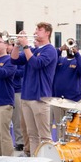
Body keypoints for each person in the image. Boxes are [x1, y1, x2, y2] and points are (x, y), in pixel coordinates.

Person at [12, 22, 58, 152]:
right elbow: (14, 59)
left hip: (40, 97)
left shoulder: (50, 50)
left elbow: (37, 63)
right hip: (26, 96)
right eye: (36, 28)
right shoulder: (33, 50)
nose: (36, 31)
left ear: (47, 33)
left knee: (44, 136)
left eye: (39, 29)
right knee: (32, 135)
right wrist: (17, 45)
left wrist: (25, 45)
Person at [51, 41, 81, 127]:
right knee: (60, 128)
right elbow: (51, 61)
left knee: (73, 129)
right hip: (59, 101)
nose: (71, 48)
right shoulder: (60, 60)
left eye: (74, 46)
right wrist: (60, 49)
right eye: (70, 45)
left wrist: (77, 54)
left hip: (75, 100)